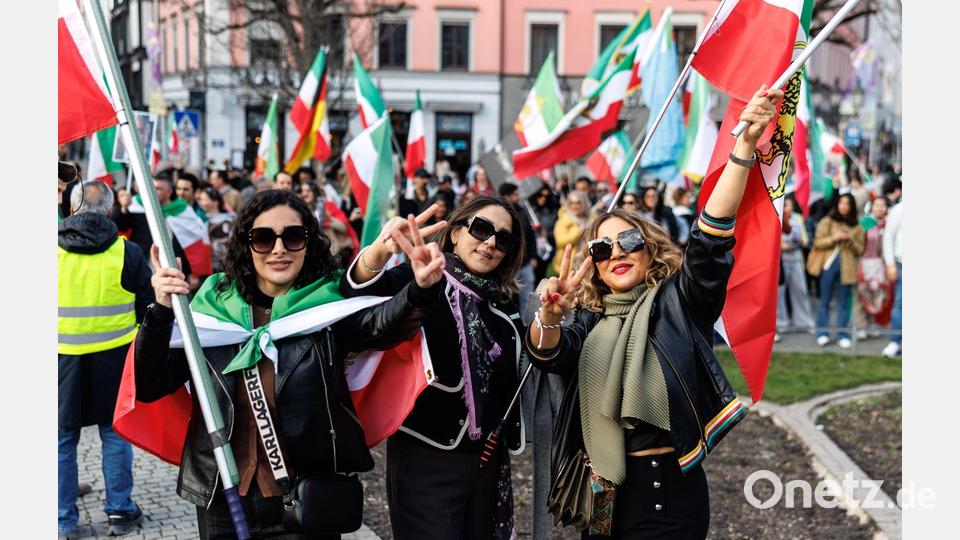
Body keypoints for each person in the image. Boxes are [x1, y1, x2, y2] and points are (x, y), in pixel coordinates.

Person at [525, 85, 782, 538]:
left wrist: (743, 147)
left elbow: (710, 241)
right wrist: (548, 317)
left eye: (629, 241)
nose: (617, 252)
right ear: (596, 267)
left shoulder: (678, 305)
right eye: (603, 247)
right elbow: (550, 356)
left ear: (650, 250)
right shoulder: (587, 321)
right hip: (604, 493)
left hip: (673, 491)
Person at [135, 190, 445, 539]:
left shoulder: (325, 308)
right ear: (245, 245)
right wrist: (161, 310)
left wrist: (419, 288)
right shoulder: (209, 311)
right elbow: (150, 384)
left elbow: (380, 323)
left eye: (293, 237)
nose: (279, 249)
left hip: (303, 500)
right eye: (263, 238)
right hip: (222, 500)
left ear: (308, 244)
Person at [341, 197, 527, 540]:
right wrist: (380, 250)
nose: (490, 243)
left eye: (504, 239)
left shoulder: (504, 302)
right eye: (482, 229)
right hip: (425, 460)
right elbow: (355, 299)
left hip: (487, 464)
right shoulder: (424, 272)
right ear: (455, 233)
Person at [59, 181, 154, 538]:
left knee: (60, 439)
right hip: (115, 359)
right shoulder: (127, 252)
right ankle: (119, 510)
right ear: (110, 211)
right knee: (115, 435)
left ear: (71, 209)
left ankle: (62, 521)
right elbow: (148, 307)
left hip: (61, 361)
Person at [807, 193, 865, 348]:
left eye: (847, 204)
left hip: (847, 269)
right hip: (827, 266)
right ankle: (822, 333)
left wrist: (850, 239)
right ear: (837, 204)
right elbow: (817, 242)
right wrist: (835, 237)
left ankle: (842, 334)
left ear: (852, 206)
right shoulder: (827, 221)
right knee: (824, 301)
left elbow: (860, 249)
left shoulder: (858, 226)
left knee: (843, 303)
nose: (844, 206)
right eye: (841, 203)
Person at [853, 196, 892, 339]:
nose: (879, 208)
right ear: (871, 206)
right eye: (877, 205)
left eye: (883, 205)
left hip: (880, 264)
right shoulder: (865, 222)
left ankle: (872, 324)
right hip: (864, 262)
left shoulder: (887, 224)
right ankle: (860, 326)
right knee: (862, 293)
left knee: (877, 294)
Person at [499, 183, 539, 317]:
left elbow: (530, 235)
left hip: (525, 262)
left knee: (528, 298)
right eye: (515, 194)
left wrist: (533, 256)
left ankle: (527, 330)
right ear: (507, 196)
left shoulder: (522, 210)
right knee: (506, 299)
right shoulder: (500, 213)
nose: (518, 197)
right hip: (508, 265)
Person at [777, 196, 815, 332]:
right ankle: (781, 322)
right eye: (786, 205)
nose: (789, 208)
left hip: (796, 257)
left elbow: (804, 237)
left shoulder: (798, 218)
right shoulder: (776, 216)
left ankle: (803, 321)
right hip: (781, 259)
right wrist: (782, 246)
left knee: (800, 290)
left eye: (791, 205)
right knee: (779, 293)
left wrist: (802, 241)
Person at [552, 190, 593, 276]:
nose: (575, 206)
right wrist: (578, 232)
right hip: (570, 264)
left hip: (588, 260)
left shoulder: (591, 218)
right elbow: (560, 242)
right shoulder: (563, 220)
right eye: (572, 203)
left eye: (578, 203)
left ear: (584, 203)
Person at [196, 187, 236, 273]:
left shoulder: (232, 218)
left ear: (215, 202)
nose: (201, 203)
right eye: (200, 200)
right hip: (212, 265)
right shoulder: (201, 220)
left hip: (232, 262)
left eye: (203, 200)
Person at [882, 198, 903, 358]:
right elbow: (888, 237)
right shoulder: (898, 209)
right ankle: (895, 341)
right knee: (899, 304)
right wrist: (890, 264)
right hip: (901, 263)